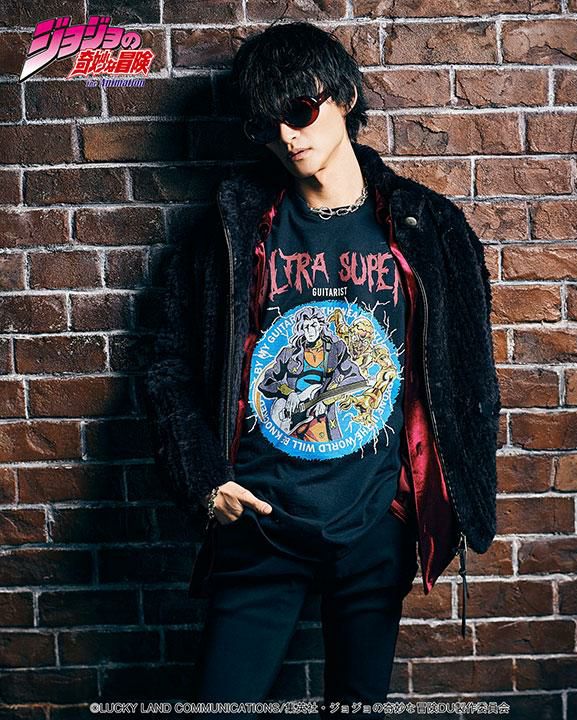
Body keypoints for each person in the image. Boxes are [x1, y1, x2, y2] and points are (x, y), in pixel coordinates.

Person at [145, 20, 500, 718]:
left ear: (343, 97)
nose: (286, 135)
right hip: (260, 520)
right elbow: (166, 365)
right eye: (265, 124)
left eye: (300, 110)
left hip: (376, 525)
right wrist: (204, 480)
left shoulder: (428, 226)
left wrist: (425, 504)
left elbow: (471, 381)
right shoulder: (232, 229)